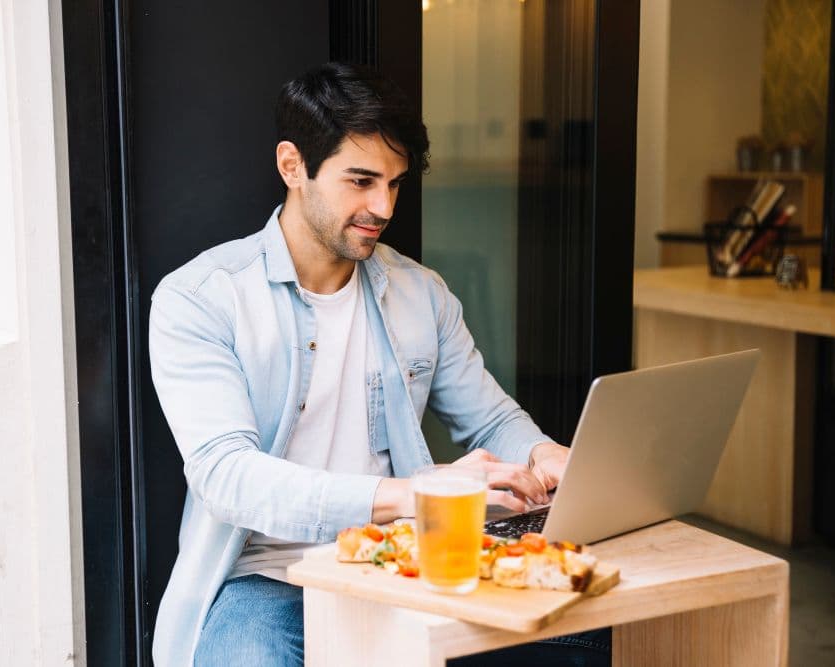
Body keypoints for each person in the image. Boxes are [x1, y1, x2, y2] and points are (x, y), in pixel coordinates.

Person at [149, 62, 610, 667]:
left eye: (394, 183)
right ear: (293, 166)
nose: (383, 206)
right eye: (361, 181)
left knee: (606, 632)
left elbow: (491, 420)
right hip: (270, 576)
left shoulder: (422, 294)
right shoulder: (200, 298)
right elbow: (228, 477)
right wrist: (420, 494)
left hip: (406, 563)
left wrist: (543, 453)